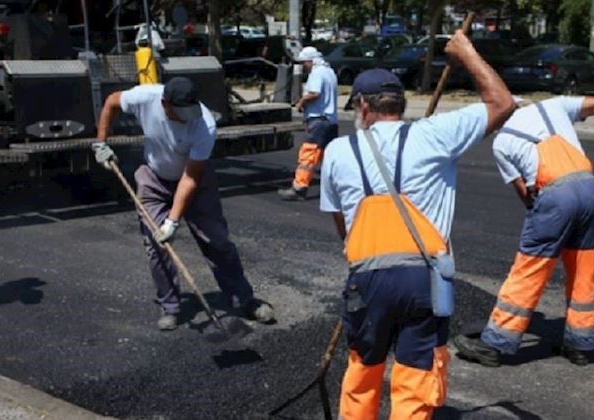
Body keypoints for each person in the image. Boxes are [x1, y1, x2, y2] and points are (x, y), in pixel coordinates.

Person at [319, 31, 515, 419]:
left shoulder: (339, 151)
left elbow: (342, 224)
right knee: (416, 375)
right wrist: (467, 53)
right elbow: (502, 102)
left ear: (362, 106)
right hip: (425, 279)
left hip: (367, 279)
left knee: (363, 370)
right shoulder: (435, 134)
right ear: (401, 104)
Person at [454, 96, 594, 367]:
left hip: (555, 196)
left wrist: (547, 218)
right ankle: (581, 344)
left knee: (530, 268)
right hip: (588, 188)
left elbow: (527, 196)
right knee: (584, 267)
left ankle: (495, 343)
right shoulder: (553, 105)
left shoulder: (502, 142)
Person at [92, 77, 274, 331]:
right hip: (153, 176)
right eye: (181, 112)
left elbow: (190, 178)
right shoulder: (145, 97)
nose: (188, 117)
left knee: (217, 240)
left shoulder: (204, 124)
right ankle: (170, 307)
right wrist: (101, 142)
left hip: (194, 181)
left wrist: (173, 221)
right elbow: (111, 102)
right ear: (164, 104)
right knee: (157, 246)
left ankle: (243, 298)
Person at [278, 46, 338, 200]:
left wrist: (301, 102)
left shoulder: (317, 73)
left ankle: (299, 188)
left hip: (318, 120)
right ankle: (337, 187)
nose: (303, 66)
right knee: (330, 157)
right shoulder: (329, 72)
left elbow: (314, 93)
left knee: (308, 155)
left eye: (304, 63)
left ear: (311, 61)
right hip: (331, 120)